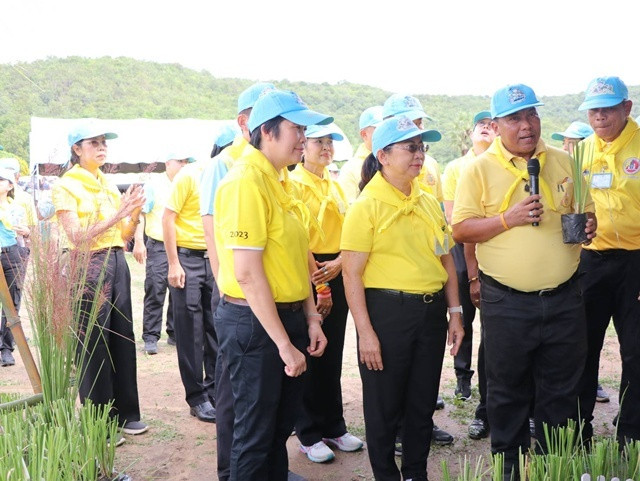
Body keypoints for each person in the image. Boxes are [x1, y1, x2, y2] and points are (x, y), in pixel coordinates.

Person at [452, 84, 596, 480]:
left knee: (561, 390)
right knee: (506, 391)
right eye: (515, 118)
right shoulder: (478, 169)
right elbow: (461, 229)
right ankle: (510, 470)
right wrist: (507, 219)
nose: (526, 124)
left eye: (531, 114)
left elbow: (586, 214)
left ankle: (553, 468)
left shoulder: (564, 161)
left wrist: (589, 226)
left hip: (565, 298)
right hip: (507, 303)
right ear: (497, 125)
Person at [213, 89, 329, 481]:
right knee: (255, 434)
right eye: (297, 129)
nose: (304, 138)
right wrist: (283, 344)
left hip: (288, 317)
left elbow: (296, 259)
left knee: (279, 428)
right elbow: (247, 273)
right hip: (255, 325)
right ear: (267, 131)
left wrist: (311, 318)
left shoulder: (282, 181)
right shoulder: (245, 182)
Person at [342, 115, 464, 481]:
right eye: (410, 147)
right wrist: (365, 332)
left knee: (422, 401)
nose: (419, 154)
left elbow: (446, 259)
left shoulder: (427, 201)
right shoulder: (367, 205)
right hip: (387, 313)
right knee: (384, 404)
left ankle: (415, 472)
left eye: (421, 147)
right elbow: (351, 274)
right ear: (383, 155)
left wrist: (455, 312)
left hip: (430, 312)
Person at [52, 119, 148, 440]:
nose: (102, 147)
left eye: (104, 142)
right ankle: (99, 422)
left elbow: (124, 235)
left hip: (117, 261)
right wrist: (119, 213)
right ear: (76, 149)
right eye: (93, 143)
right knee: (93, 342)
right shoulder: (65, 186)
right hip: (87, 264)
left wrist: (134, 213)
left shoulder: (107, 183)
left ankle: (126, 414)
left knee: (123, 337)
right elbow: (76, 236)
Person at [289, 123, 364, 463]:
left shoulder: (335, 184)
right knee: (311, 351)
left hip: (336, 266)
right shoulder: (294, 183)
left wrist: (340, 263)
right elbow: (299, 239)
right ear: (303, 146)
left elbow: (350, 230)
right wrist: (320, 283)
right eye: (318, 142)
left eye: (329, 142)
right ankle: (308, 432)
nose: (325, 148)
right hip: (311, 269)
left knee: (332, 353)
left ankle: (334, 425)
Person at [576, 76, 640, 446]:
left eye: (608, 109)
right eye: (593, 110)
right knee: (583, 347)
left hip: (636, 263)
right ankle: (578, 430)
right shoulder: (581, 151)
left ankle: (631, 431)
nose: (599, 117)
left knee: (636, 350)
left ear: (626, 108)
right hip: (591, 261)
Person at [442, 111, 495, 441]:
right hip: (462, 250)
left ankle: (490, 399)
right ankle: (463, 377)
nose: (486, 129)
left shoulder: (503, 165)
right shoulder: (456, 168)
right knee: (462, 314)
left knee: (492, 326)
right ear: (471, 133)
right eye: (481, 126)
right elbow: (453, 218)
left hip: (493, 250)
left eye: (491, 125)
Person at [163, 147, 217, 423]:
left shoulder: (229, 175)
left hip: (214, 259)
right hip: (188, 259)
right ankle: (197, 397)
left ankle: (215, 391)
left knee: (216, 327)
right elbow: (168, 217)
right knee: (191, 331)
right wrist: (174, 263)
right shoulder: (190, 175)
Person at [133, 153, 194, 354]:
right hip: (159, 245)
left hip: (182, 244)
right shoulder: (154, 185)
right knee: (156, 288)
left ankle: (175, 333)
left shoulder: (189, 182)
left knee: (180, 289)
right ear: (168, 163)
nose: (184, 165)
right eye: (180, 161)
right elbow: (141, 214)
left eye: (187, 162)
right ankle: (151, 336)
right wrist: (139, 242)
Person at [382, 94, 443, 203]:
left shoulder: (432, 165)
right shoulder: (369, 172)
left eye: (419, 122)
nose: (417, 129)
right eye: (408, 123)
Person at [0, 167, 30, 367]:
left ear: (10, 185)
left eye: (1, 179)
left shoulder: (17, 208)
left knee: (11, 303)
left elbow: (26, 231)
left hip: (12, 254)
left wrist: (26, 231)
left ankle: (6, 348)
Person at [338, 106, 383, 204]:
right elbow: (348, 208)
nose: (385, 134)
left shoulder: (399, 161)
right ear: (364, 134)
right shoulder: (350, 169)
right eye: (380, 130)